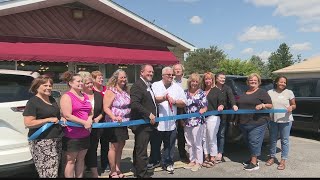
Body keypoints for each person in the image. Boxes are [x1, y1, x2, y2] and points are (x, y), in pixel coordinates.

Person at [23, 75, 64, 178]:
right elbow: (28, 123)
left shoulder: (52, 99)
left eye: (50, 85)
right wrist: (47, 120)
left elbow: (57, 117)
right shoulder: (33, 102)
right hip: (42, 142)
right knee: (48, 172)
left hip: (56, 139)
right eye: (45, 85)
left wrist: (62, 119)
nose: (49, 87)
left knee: (54, 170)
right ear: (37, 87)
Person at [150, 66, 187, 174]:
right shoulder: (155, 85)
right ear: (163, 76)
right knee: (155, 144)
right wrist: (164, 98)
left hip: (171, 122)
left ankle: (168, 162)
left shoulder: (177, 87)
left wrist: (174, 101)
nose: (171, 76)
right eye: (169, 75)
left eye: (172, 75)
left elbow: (184, 102)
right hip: (158, 122)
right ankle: (155, 161)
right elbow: (151, 99)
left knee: (170, 145)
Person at [236, 73, 273, 171]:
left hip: (258, 122)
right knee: (249, 142)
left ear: (258, 82)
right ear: (248, 82)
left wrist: (262, 106)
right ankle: (253, 158)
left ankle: (254, 163)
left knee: (254, 141)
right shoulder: (244, 92)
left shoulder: (262, 92)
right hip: (244, 122)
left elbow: (270, 105)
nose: (253, 82)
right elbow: (238, 103)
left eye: (255, 80)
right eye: (251, 80)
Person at [60, 71, 92, 178]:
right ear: (70, 83)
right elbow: (67, 115)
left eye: (82, 81)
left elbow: (90, 112)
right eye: (78, 81)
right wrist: (84, 122)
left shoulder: (85, 96)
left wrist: (90, 119)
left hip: (85, 133)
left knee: (81, 159)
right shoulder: (67, 96)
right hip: (72, 134)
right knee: (70, 161)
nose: (81, 83)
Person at [130, 64, 158, 178]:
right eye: (148, 72)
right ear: (141, 72)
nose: (151, 74)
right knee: (141, 150)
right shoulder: (138, 86)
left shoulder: (147, 85)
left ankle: (139, 169)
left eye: (152, 72)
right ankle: (142, 174)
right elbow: (135, 104)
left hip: (148, 124)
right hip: (142, 124)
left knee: (139, 148)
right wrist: (148, 114)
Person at [103, 69, 131, 178]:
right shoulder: (111, 90)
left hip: (124, 123)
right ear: (116, 78)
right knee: (114, 147)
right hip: (113, 123)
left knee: (121, 146)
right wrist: (114, 117)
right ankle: (112, 171)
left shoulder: (124, 91)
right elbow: (106, 107)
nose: (124, 79)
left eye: (125, 77)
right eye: (121, 77)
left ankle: (118, 168)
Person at [266, 75, 296, 170]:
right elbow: (268, 104)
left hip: (286, 120)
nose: (283, 84)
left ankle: (283, 160)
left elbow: (294, 105)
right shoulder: (270, 92)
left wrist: (291, 107)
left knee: (285, 140)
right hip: (273, 120)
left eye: (284, 82)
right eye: (281, 82)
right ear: (276, 82)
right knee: (273, 139)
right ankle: (272, 157)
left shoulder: (289, 92)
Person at [78, 71, 104, 178]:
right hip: (80, 128)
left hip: (96, 128)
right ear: (82, 85)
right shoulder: (79, 96)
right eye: (87, 83)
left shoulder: (98, 95)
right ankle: (81, 171)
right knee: (80, 152)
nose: (90, 85)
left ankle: (94, 173)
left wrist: (98, 118)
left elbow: (104, 110)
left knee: (93, 149)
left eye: (91, 83)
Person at [183, 73, 208, 172]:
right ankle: (192, 160)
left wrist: (204, 110)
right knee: (189, 143)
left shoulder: (201, 93)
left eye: (196, 81)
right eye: (193, 81)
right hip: (187, 121)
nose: (194, 83)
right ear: (189, 82)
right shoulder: (185, 92)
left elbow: (205, 106)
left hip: (197, 121)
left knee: (197, 143)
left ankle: (199, 162)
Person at [201, 72, 225, 168]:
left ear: (212, 80)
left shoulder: (217, 90)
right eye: (206, 79)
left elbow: (222, 102)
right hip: (202, 117)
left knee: (211, 137)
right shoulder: (201, 90)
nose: (208, 81)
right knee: (203, 137)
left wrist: (221, 106)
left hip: (213, 117)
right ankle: (206, 155)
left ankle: (212, 157)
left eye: (209, 79)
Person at [214, 72, 238, 163]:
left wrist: (234, 105)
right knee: (212, 134)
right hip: (212, 115)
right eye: (221, 78)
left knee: (221, 134)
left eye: (224, 78)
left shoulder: (227, 88)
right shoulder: (212, 88)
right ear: (216, 78)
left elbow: (231, 98)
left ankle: (220, 153)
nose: (223, 79)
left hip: (223, 116)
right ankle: (212, 152)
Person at [91, 70, 110, 173]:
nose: (101, 79)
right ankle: (92, 165)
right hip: (93, 122)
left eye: (102, 77)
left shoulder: (106, 90)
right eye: (99, 78)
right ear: (93, 79)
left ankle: (105, 164)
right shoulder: (91, 90)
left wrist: (101, 116)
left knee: (105, 144)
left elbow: (107, 105)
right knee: (93, 145)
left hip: (105, 120)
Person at [172, 63, 189, 163]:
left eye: (179, 69)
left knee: (182, 134)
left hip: (184, 110)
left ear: (182, 71)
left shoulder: (187, 82)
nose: (177, 71)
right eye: (175, 69)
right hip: (173, 110)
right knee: (171, 133)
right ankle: (169, 155)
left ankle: (183, 154)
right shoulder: (170, 81)